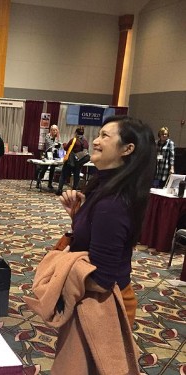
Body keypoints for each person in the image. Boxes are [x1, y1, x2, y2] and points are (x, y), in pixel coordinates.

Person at [45, 116, 156, 373]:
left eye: (106, 136)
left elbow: (103, 277)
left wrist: (58, 278)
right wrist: (78, 215)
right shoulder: (103, 187)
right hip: (98, 299)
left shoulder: (112, 202)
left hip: (104, 304)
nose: (96, 140)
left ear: (127, 149)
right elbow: (97, 241)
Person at [55, 126, 89, 195]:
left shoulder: (74, 140)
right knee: (76, 176)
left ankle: (59, 190)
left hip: (70, 161)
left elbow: (66, 148)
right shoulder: (85, 142)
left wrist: (64, 144)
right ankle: (74, 190)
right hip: (79, 162)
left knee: (63, 175)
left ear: (76, 133)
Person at [36, 124, 61, 190]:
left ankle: (50, 183)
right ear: (51, 130)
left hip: (55, 154)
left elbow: (59, 145)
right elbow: (51, 145)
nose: (55, 131)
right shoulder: (48, 136)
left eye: (56, 130)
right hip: (48, 154)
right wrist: (56, 143)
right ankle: (38, 181)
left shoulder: (58, 137)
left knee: (52, 169)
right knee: (44, 168)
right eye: (53, 130)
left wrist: (58, 142)